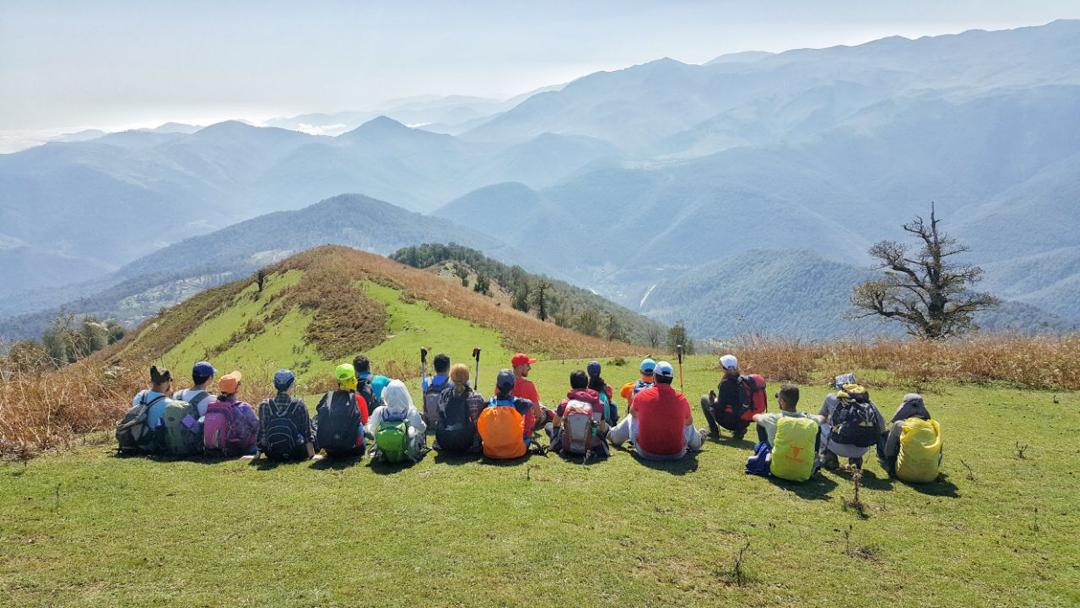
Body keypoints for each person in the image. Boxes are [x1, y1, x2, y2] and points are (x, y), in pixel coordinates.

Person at [609, 361, 704, 460]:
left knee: (631, 417)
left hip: (646, 452)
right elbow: (689, 422)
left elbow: (632, 412)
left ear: (654, 377)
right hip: (677, 453)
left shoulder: (642, 395)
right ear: (671, 379)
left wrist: (651, 418)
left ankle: (613, 436)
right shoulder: (681, 398)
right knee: (687, 423)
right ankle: (698, 442)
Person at [749, 383, 822, 481]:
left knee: (761, 424)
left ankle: (768, 454)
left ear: (782, 401)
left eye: (778, 398)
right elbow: (822, 418)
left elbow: (755, 417)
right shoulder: (808, 420)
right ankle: (815, 457)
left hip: (777, 469)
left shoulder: (773, 418)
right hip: (804, 472)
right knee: (818, 428)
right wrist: (807, 415)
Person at [818, 382, 886, 470]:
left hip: (838, 446)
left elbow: (820, 418)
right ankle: (855, 460)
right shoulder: (869, 404)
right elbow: (882, 428)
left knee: (819, 425)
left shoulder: (831, 398)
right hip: (862, 448)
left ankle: (829, 458)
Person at [878, 393, 942, 481]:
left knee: (883, 436)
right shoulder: (933, 426)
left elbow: (889, 449)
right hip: (930, 477)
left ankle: (891, 469)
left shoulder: (900, 425)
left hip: (903, 474)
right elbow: (939, 453)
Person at [256, 369, 315, 461]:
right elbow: (307, 432)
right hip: (296, 453)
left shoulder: (264, 405)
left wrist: (258, 455)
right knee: (312, 423)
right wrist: (311, 454)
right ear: (291, 385)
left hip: (272, 453)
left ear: (275, 385)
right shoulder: (299, 405)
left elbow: (262, 432)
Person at [700, 354, 763, 440]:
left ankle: (713, 430)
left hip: (730, 422)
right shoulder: (743, 381)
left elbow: (720, 407)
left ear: (724, 368)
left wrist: (712, 400)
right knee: (735, 407)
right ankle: (739, 431)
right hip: (744, 421)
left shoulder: (725, 383)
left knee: (704, 399)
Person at [477, 369, 535, 459]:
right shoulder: (519, 403)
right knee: (528, 438)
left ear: (497, 386)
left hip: (491, 452)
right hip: (515, 451)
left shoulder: (488, 404)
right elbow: (530, 403)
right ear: (513, 386)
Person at [551, 369, 610, 457]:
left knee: (549, 426)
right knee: (607, 426)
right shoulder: (599, 403)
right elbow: (601, 428)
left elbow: (555, 423)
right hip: (591, 445)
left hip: (567, 444)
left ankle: (555, 445)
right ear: (587, 383)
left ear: (571, 384)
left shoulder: (565, 403)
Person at [315, 363, 369, 457]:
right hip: (354, 450)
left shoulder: (328, 397)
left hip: (331, 450)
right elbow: (364, 421)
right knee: (360, 424)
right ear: (353, 379)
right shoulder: (358, 398)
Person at [366, 379, 427, 462]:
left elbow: (371, 430)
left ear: (387, 395)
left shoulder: (379, 411)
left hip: (384, 451)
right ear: (405, 395)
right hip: (407, 453)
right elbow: (422, 428)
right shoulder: (411, 412)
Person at [202, 371, 258, 456]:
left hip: (214, 450)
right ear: (236, 389)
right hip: (236, 449)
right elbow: (257, 426)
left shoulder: (212, 406)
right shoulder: (243, 407)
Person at [433, 363, 487, 452]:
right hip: (470, 444)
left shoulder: (444, 395)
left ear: (451, 378)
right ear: (467, 378)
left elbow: (439, 417)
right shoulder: (477, 397)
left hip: (445, 441)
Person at [511, 352, 553, 433]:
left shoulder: (503, 383)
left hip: (508, 424)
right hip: (525, 426)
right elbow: (538, 414)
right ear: (520, 367)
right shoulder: (528, 385)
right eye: (527, 365)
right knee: (547, 414)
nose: (530, 368)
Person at [136, 365, 173, 432]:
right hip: (158, 438)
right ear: (167, 382)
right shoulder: (170, 405)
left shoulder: (140, 396)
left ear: (152, 381)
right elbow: (190, 424)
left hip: (139, 436)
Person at [421, 353, 452, 427]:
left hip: (429, 420)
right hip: (445, 422)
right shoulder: (451, 383)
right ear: (448, 367)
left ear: (435, 367)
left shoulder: (426, 381)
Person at [587, 361, 618, 426]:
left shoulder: (586, 388)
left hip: (589, 420)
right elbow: (609, 399)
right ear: (600, 371)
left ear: (588, 372)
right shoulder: (607, 387)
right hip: (605, 422)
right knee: (614, 405)